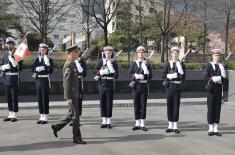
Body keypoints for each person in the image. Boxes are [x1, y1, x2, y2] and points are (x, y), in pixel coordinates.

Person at [51, 45, 86, 144]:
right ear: (71, 53)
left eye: (78, 52)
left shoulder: (73, 63)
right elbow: (66, 82)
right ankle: (77, 138)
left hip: (75, 93)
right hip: (72, 95)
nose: (77, 54)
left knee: (71, 114)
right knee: (75, 117)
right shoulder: (68, 65)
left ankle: (56, 126)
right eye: (76, 52)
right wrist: (68, 97)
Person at [162, 47, 185, 134]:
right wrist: (169, 76)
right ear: (171, 54)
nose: (175, 55)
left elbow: (183, 77)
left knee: (176, 106)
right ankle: (170, 125)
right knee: (169, 105)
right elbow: (163, 75)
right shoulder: (168, 64)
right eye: (173, 53)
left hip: (177, 87)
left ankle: (175, 125)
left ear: (178, 54)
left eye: (176, 53)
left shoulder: (181, 64)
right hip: (169, 86)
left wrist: (178, 73)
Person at [95, 46, 119, 129]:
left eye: (109, 53)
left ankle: (109, 120)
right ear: (104, 53)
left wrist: (111, 68)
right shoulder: (100, 61)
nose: (108, 54)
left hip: (109, 84)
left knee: (109, 103)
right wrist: (101, 72)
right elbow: (96, 72)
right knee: (103, 103)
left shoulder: (114, 63)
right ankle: (103, 120)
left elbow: (116, 75)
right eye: (106, 53)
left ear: (111, 53)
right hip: (102, 84)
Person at [129, 46, 152, 131]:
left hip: (144, 86)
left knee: (143, 105)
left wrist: (145, 75)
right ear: (137, 53)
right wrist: (135, 76)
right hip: (135, 86)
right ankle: (137, 123)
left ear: (144, 53)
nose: (141, 53)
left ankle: (142, 123)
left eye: (142, 52)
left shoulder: (147, 64)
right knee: (136, 105)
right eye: (139, 52)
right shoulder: (134, 63)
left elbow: (151, 76)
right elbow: (130, 73)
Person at [0, 37, 22, 122]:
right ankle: (10, 113)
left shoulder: (17, 54)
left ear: (13, 44)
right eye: (8, 43)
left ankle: (14, 114)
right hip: (6, 78)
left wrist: (13, 61)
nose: (9, 45)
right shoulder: (5, 54)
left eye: (11, 43)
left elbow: (20, 67)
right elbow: (1, 65)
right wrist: (3, 67)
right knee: (8, 97)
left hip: (13, 78)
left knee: (14, 97)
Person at [205, 48, 226, 137]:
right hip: (211, 89)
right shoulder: (209, 65)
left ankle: (216, 128)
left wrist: (221, 78)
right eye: (215, 55)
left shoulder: (221, 66)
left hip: (218, 89)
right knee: (211, 108)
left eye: (218, 55)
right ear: (212, 56)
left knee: (217, 108)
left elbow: (224, 79)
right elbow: (205, 76)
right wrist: (213, 78)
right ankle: (210, 127)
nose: (217, 57)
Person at [32, 43, 54, 124]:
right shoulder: (37, 60)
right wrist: (36, 69)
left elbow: (51, 71)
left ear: (46, 50)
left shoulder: (49, 60)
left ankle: (46, 116)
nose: (42, 51)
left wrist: (46, 66)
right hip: (38, 80)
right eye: (41, 50)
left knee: (45, 98)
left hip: (44, 80)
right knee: (39, 98)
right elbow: (32, 69)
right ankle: (41, 115)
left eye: (44, 50)